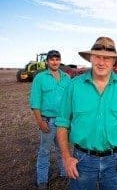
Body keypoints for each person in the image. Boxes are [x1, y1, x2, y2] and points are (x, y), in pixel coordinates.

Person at [55, 36, 117, 190]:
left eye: (107, 58)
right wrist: (66, 157)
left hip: (115, 162)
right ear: (91, 58)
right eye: (97, 57)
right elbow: (63, 122)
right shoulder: (74, 86)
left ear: (114, 61)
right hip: (82, 161)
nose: (102, 62)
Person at [29, 50, 71, 189]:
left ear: (60, 61)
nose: (55, 62)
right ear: (47, 61)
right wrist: (40, 121)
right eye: (52, 59)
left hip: (63, 122)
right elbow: (35, 101)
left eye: (57, 59)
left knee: (63, 150)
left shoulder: (66, 78)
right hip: (48, 121)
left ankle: (64, 174)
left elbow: (71, 100)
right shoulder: (40, 78)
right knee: (45, 151)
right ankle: (42, 180)